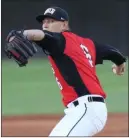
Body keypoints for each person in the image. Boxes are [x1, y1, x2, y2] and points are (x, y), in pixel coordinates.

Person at [6, 7, 126, 136]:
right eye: (44, 21)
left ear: (64, 24)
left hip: (87, 110)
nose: (45, 24)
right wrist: (120, 65)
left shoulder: (59, 40)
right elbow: (113, 52)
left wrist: (23, 34)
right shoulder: (88, 44)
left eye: (51, 21)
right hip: (83, 110)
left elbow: (41, 35)